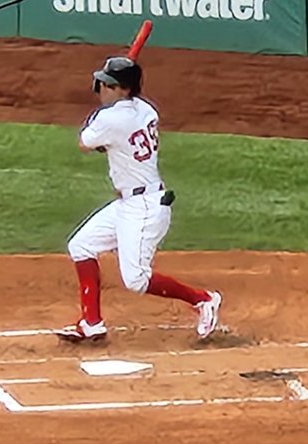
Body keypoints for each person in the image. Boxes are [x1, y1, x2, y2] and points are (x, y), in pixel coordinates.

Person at [58, 55, 221, 344]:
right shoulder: (145, 109)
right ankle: (91, 323)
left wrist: (96, 120)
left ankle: (203, 299)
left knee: (135, 279)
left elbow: (85, 143)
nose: (101, 90)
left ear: (122, 89)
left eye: (107, 85)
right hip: (128, 203)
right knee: (81, 245)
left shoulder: (110, 118)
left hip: (144, 207)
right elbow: (114, 139)